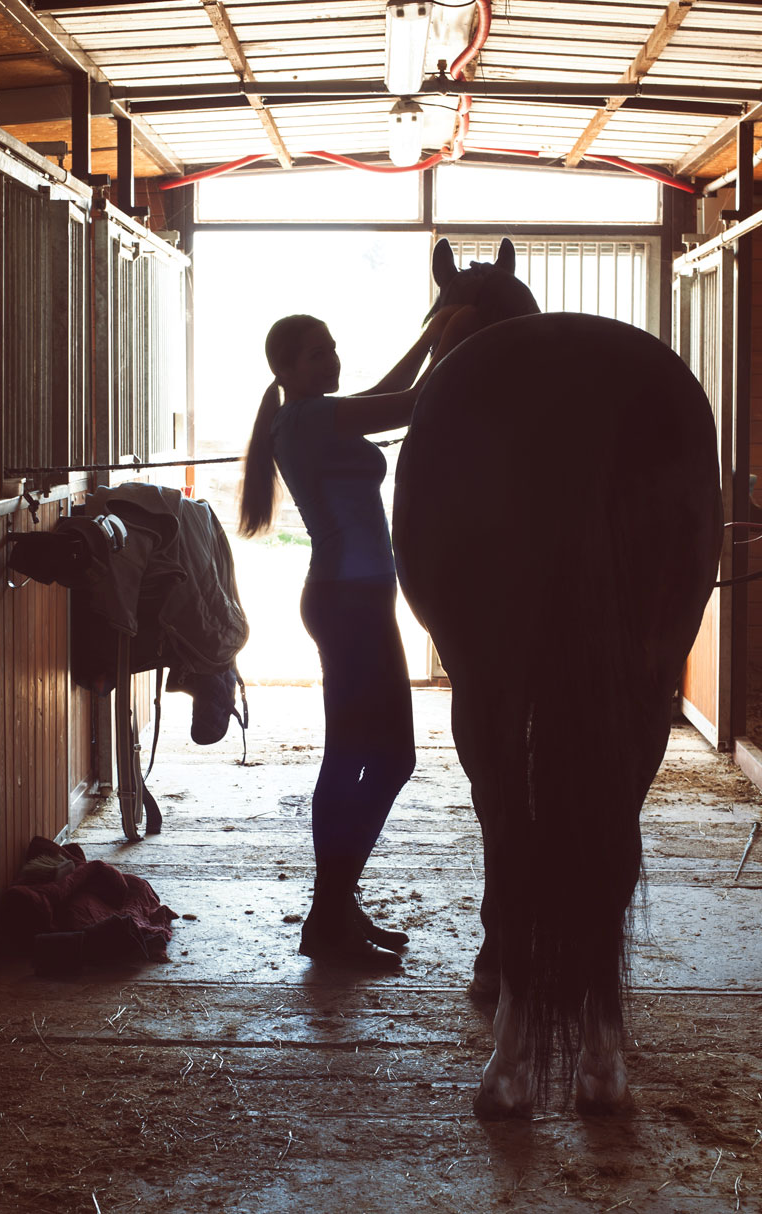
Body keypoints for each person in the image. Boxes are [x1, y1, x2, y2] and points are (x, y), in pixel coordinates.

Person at [238, 305, 465, 968]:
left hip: (356, 599)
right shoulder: (307, 418)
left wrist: (429, 331)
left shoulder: (312, 412)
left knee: (374, 756)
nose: (330, 360)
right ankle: (329, 914)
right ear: (287, 370)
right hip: (349, 603)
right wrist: (451, 340)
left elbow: (386, 393)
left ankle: (335, 907)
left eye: (332, 348)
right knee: (375, 757)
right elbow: (412, 402)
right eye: (316, 354)